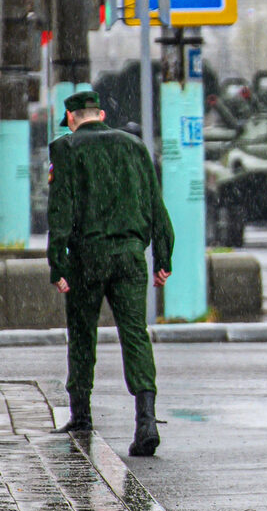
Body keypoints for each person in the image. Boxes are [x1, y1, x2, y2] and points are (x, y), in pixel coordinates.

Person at [46, 90, 173, 454]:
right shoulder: (134, 146)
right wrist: (163, 256)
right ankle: (145, 419)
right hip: (131, 257)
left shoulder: (66, 149)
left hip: (89, 257)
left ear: (71, 118)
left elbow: (61, 211)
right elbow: (154, 204)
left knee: (83, 333)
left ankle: (82, 415)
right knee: (135, 334)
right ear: (100, 114)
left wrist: (58, 263)